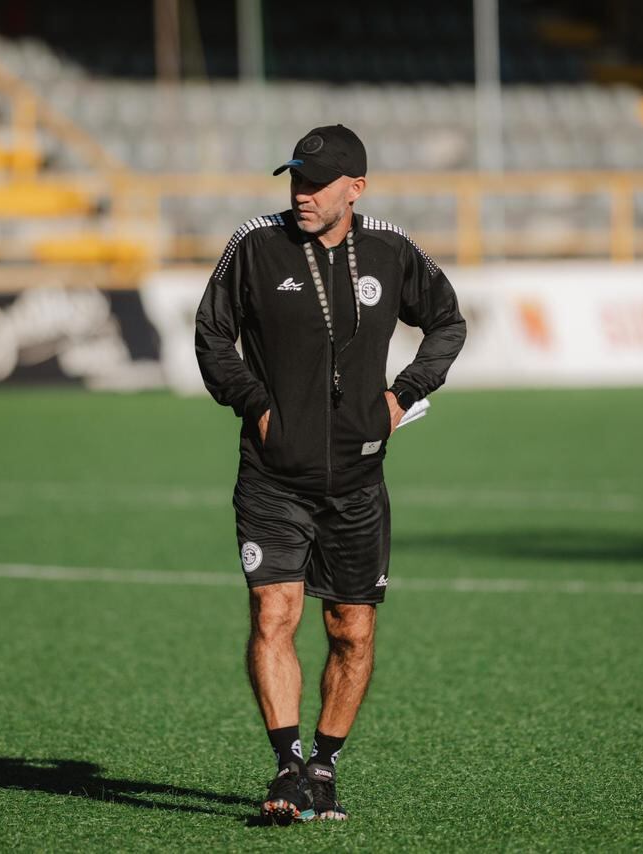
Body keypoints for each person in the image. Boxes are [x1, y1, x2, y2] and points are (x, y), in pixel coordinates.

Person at [194, 124, 466, 823]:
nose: (301, 195)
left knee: (352, 629)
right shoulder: (255, 245)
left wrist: (402, 397)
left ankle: (324, 764)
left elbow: (447, 323)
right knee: (274, 612)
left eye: (316, 184)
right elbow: (211, 335)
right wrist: (254, 404)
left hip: (357, 481)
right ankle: (287, 768)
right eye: (294, 180)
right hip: (272, 476)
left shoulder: (390, 250)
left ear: (357, 187)